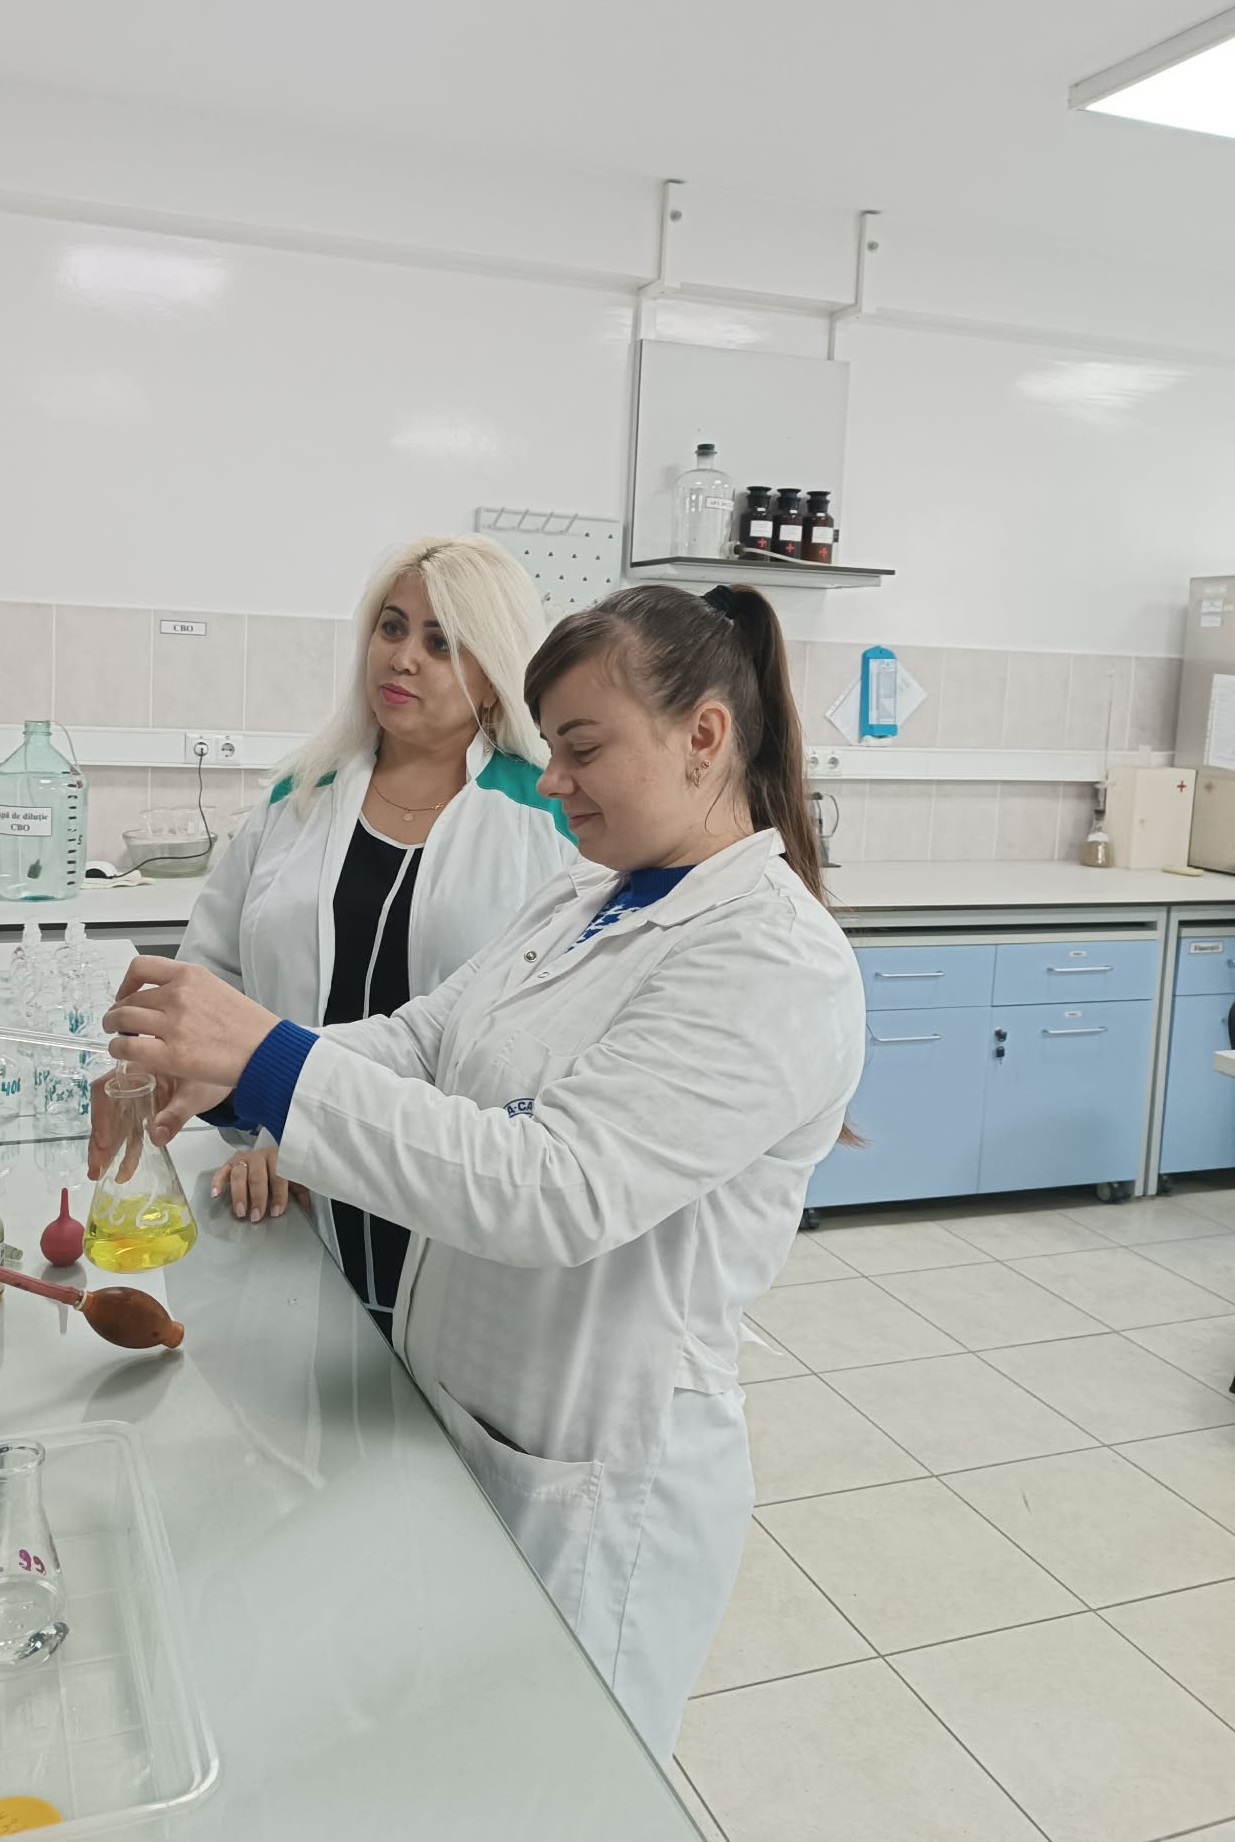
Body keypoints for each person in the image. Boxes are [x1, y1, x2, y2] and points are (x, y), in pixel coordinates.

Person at [93, 583, 865, 1757]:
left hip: (592, 1472)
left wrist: (271, 1061)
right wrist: (227, 1077)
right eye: (551, 747)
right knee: (438, 1759)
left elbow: (554, 1188)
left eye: (582, 748)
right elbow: (425, 1038)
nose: (551, 781)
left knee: (554, 1782)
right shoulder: (584, 892)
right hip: (463, 1411)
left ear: (705, 734)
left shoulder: (775, 957)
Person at [143, 533, 575, 1341]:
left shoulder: (547, 818)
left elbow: (540, 1037)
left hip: (450, 1196)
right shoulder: (298, 796)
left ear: (494, 674)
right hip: (282, 1194)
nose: (403, 658)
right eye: (392, 627)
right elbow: (214, 976)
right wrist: (263, 1129)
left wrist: (326, 1130)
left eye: (442, 643)